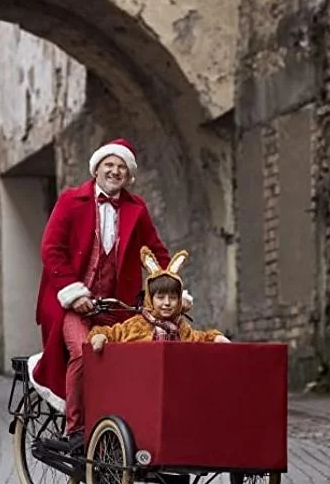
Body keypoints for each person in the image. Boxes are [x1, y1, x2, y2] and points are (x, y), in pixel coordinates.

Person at [29, 138, 193, 452]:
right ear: (97, 168)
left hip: (116, 306)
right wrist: (73, 292)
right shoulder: (70, 201)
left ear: (128, 175)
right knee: (84, 351)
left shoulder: (137, 208)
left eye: (121, 168)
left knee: (132, 354)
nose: (115, 172)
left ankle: (121, 425)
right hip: (71, 303)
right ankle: (75, 430)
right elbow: (51, 250)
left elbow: (156, 252)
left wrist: (172, 288)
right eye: (109, 166)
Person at [88, 245, 230, 351]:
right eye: (160, 298)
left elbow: (198, 338)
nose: (167, 303)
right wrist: (99, 336)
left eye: (173, 298)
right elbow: (112, 332)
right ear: (150, 299)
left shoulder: (181, 327)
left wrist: (215, 338)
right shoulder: (137, 325)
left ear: (179, 300)